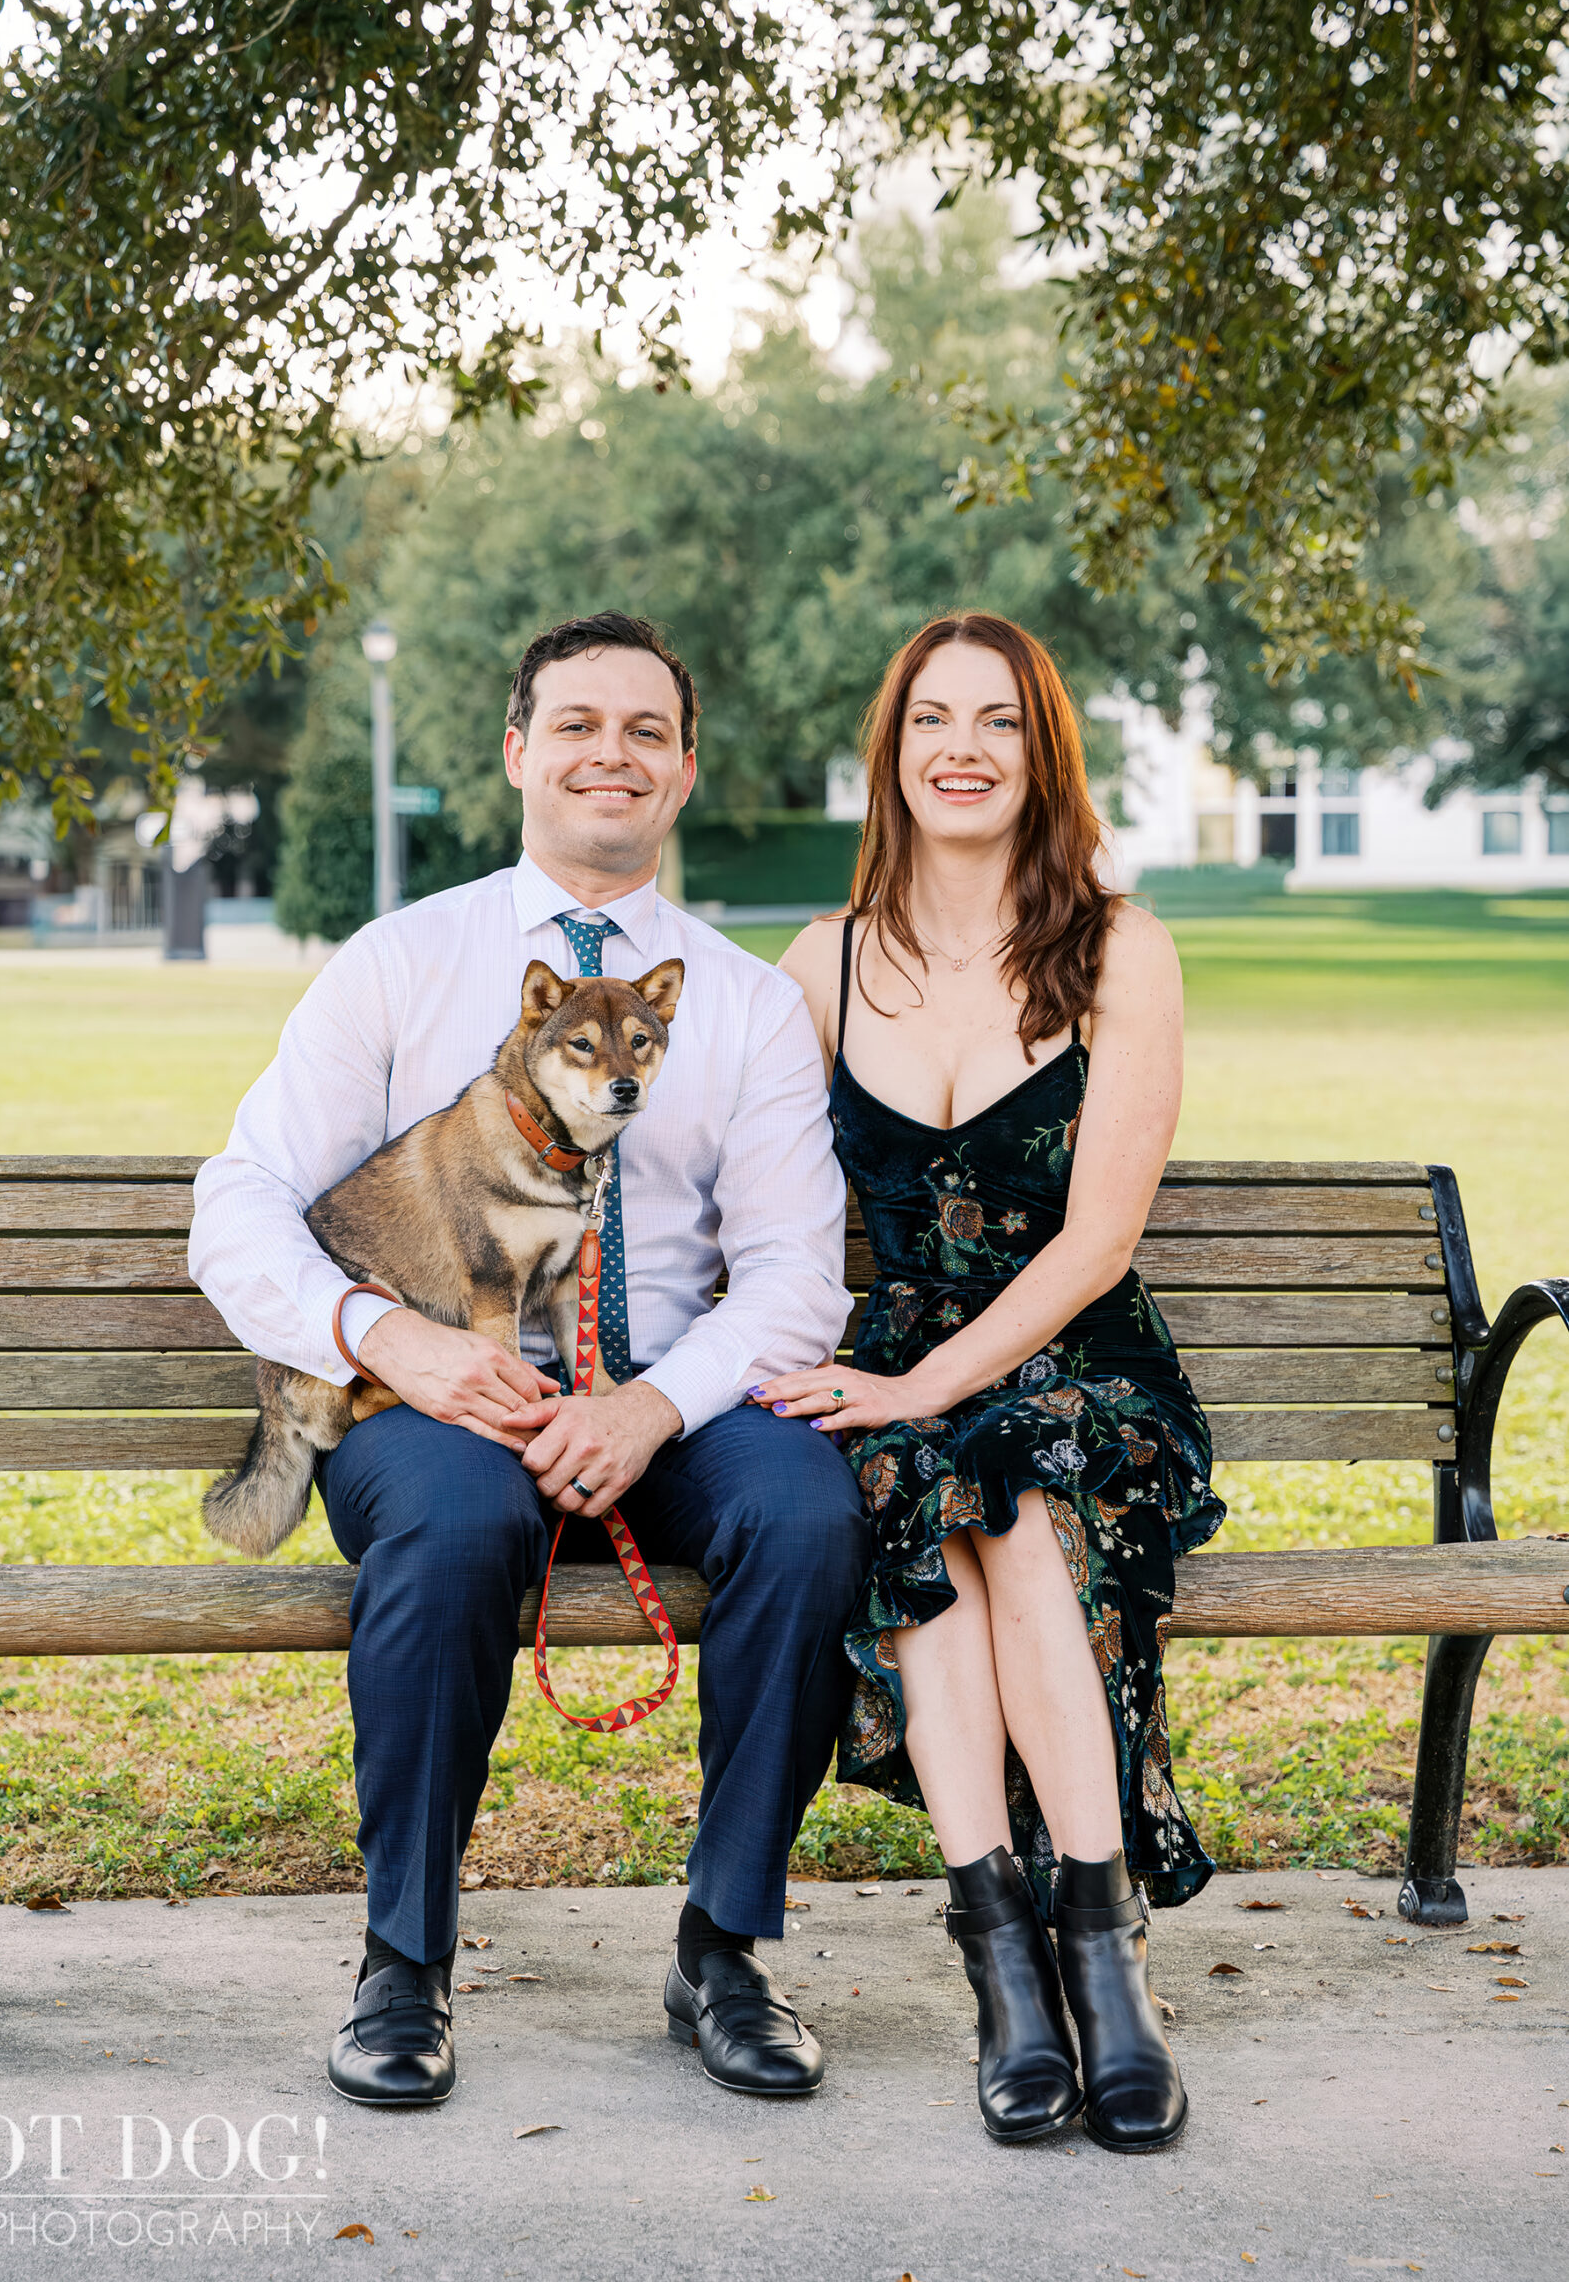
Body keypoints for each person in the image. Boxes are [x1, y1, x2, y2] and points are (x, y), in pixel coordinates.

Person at [189, 611, 866, 2109]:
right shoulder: (399, 964)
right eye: (576, 725)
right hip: (442, 1390)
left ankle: (726, 1947)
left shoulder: (744, 1005)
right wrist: (392, 1341)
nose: (607, 755)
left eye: (644, 732)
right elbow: (237, 1204)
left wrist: (648, 1407)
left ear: (685, 773)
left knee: (807, 1511)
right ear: (518, 752)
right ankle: (404, 1963)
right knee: (453, 1520)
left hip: (669, 1396)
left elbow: (794, 1276)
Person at [759, 611, 1225, 2156]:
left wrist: (923, 1387)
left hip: (1077, 1360)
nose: (964, 749)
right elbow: (741, 1205)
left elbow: (1098, 1241)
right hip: (894, 1362)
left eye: (999, 723)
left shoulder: (1118, 947)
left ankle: (1102, 1947)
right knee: (917, 1503)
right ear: (892, 753)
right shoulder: (818, 965)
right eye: (932, 721)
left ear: (1044, 754)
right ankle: (1003, 1955)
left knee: (1010, 1493)